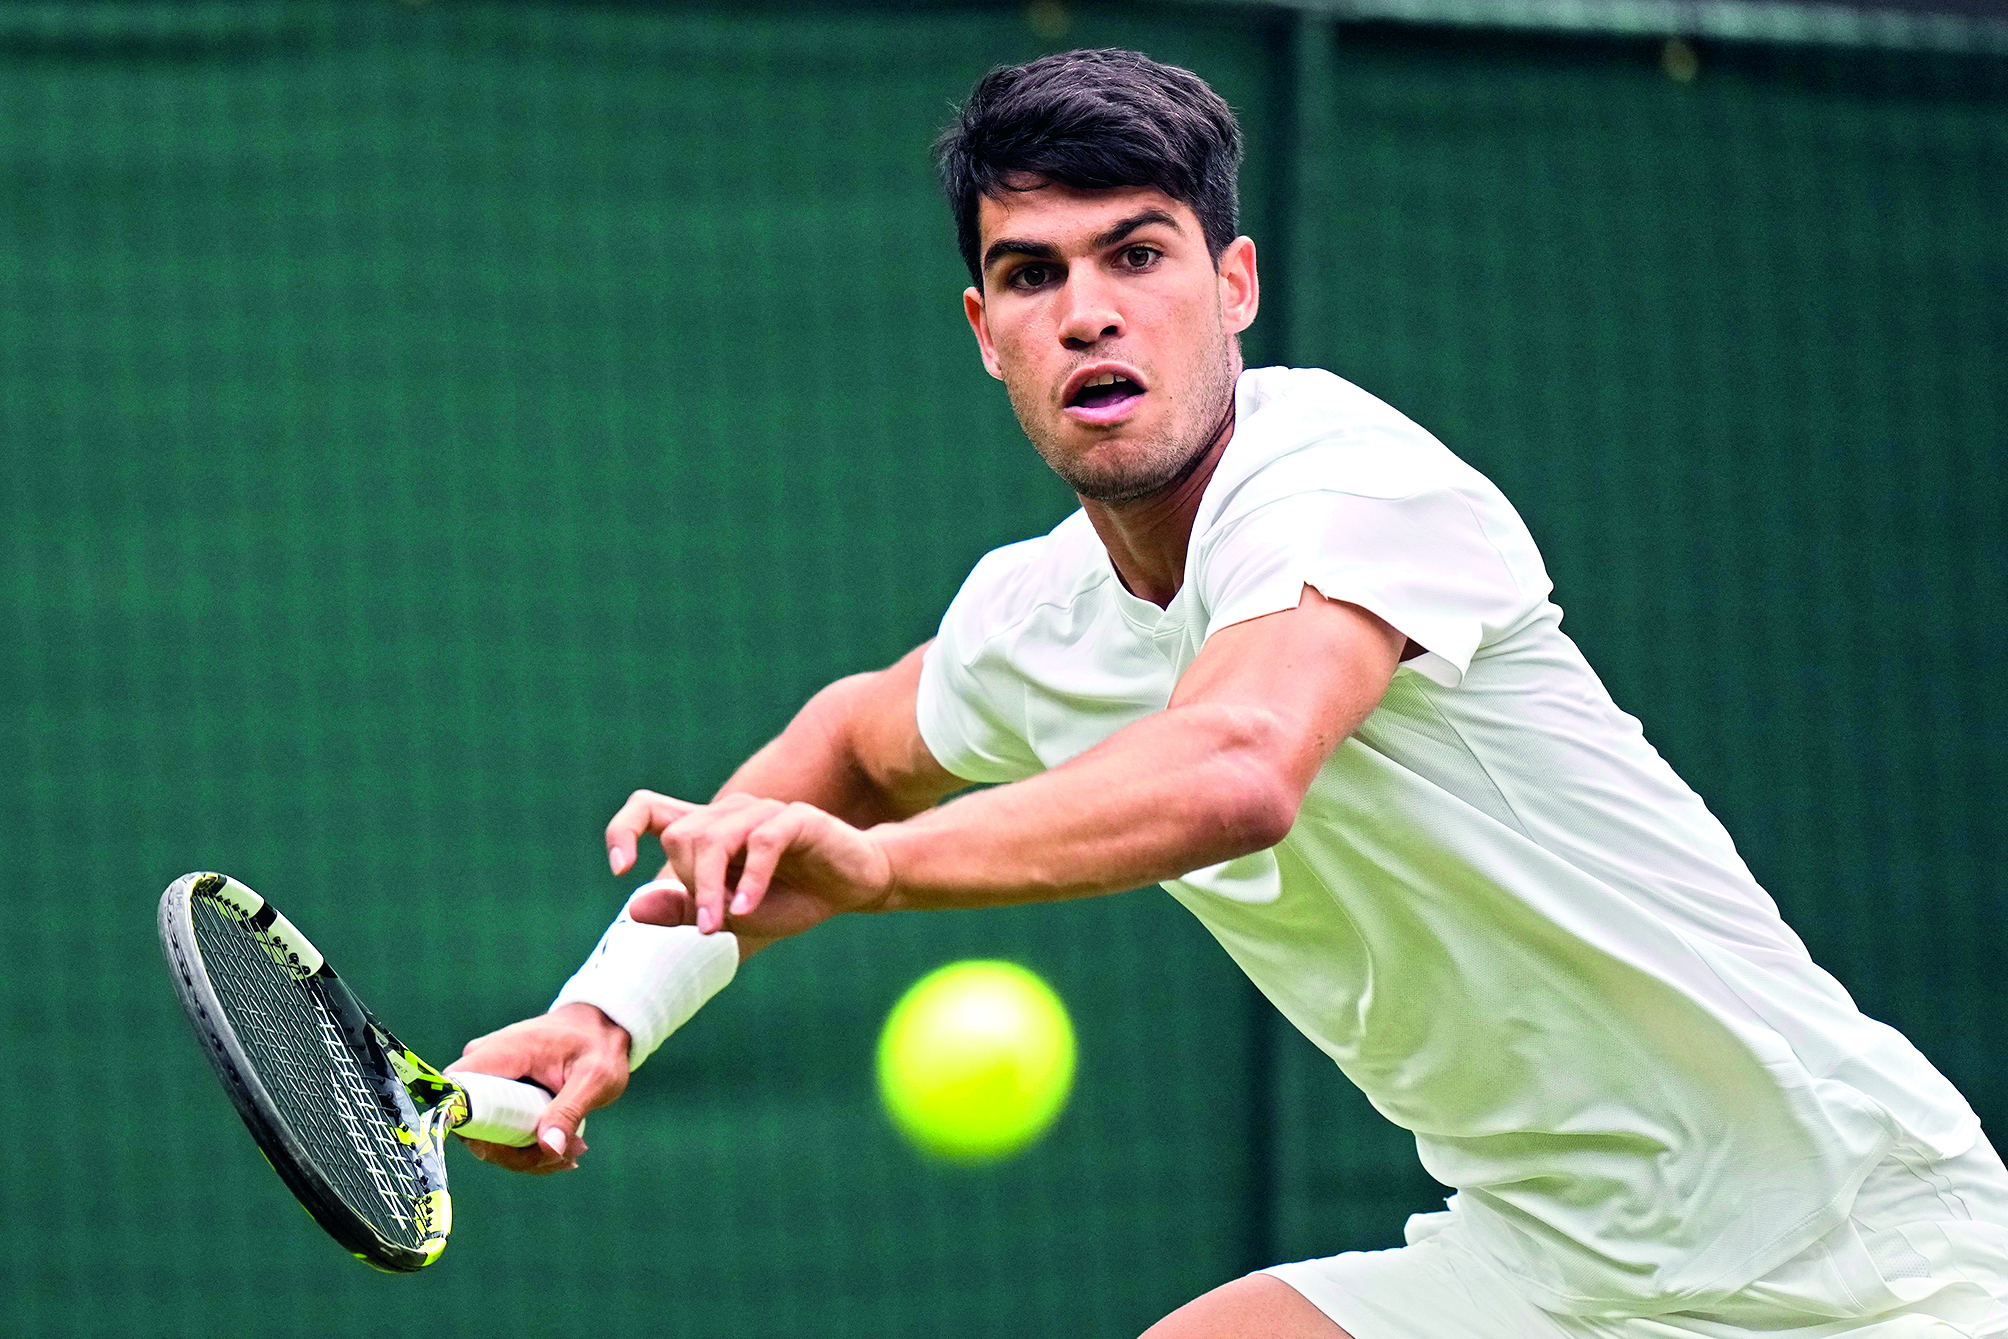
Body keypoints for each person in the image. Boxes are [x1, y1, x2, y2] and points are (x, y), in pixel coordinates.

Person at [454, 48, 2008, 1339]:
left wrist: (882, 875)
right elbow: (848, 749)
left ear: (1235, 281)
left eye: (1137, 253)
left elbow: (1240, 762)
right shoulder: (1035, 617)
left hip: (1866, 1257)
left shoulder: (1340, 473)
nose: (1089, 310)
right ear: (984, 330)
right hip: (1550, 1261)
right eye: (1031, 273)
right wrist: (613, 1008)